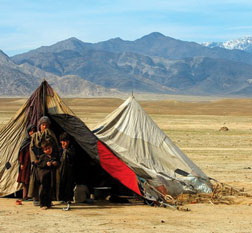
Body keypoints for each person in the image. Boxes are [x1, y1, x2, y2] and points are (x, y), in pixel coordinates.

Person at [28, 116, 59, 205]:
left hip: (48, 162)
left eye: (46, 125)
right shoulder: (35, 136)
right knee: (36, 181)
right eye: (43, 125)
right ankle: (36, 198)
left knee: (48, 182)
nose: (44, 127)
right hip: (38, 162)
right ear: (40, 126)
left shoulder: (51, 135)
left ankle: (47, 200)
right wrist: (34, 160)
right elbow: (31, 148)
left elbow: (55, 147)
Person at [37, 140, 59, 210]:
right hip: (44, 175)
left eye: (49, 148)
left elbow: (58, 163)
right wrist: (46, 164)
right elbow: (39, 165)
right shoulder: (43, 157)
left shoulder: (54, 156)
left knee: (50, 189)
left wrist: (56, 163)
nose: (48, 150)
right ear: (43, 150)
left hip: (51, 175)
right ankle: (42, 203)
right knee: (43, 189)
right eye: (46, 149)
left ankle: (48, 203)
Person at [17, 125, 36, 200]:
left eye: (34, 131)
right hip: (25, 163)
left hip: (32, 163)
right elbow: (21, 153)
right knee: (25, 180)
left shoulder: (35, 140)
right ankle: (25, 196)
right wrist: (21, 163)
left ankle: (30, 195)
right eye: (31, 131)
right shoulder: (26, 141)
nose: (32, 133)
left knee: (31, 179)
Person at [59, 132, 75, 203]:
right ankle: (61, 198)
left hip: (69, 169)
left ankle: (68, 198)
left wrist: (66, 150)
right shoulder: (60, 150)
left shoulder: (71, 149)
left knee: (69, 184)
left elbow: (72, 157)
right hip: (61, 169)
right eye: (63, 141)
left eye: (66, 141)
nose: (64, 143)